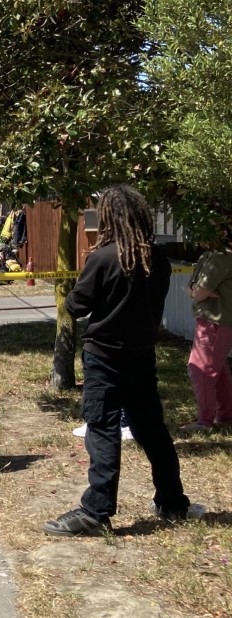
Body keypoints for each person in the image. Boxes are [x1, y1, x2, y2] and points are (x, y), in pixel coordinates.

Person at [44, 185, 200, 536]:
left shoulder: (102, 258)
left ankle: (96, 512)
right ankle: (172, 502)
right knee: (153, 431)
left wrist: (72, 295)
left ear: (111, 218)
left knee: (102, 429)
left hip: (104, 359)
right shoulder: (156, 260)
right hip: (141, 357)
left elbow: (77, 305)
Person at [185, 231, 232, 431]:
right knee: (218, 370)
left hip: (215, 321)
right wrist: (199, 292)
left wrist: (199, 291)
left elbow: (197, 292)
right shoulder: (208, 256)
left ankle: (205, 421)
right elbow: (193, 291)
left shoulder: (222, 257)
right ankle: (226, 415)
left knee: (200, 369)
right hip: (211, 319)